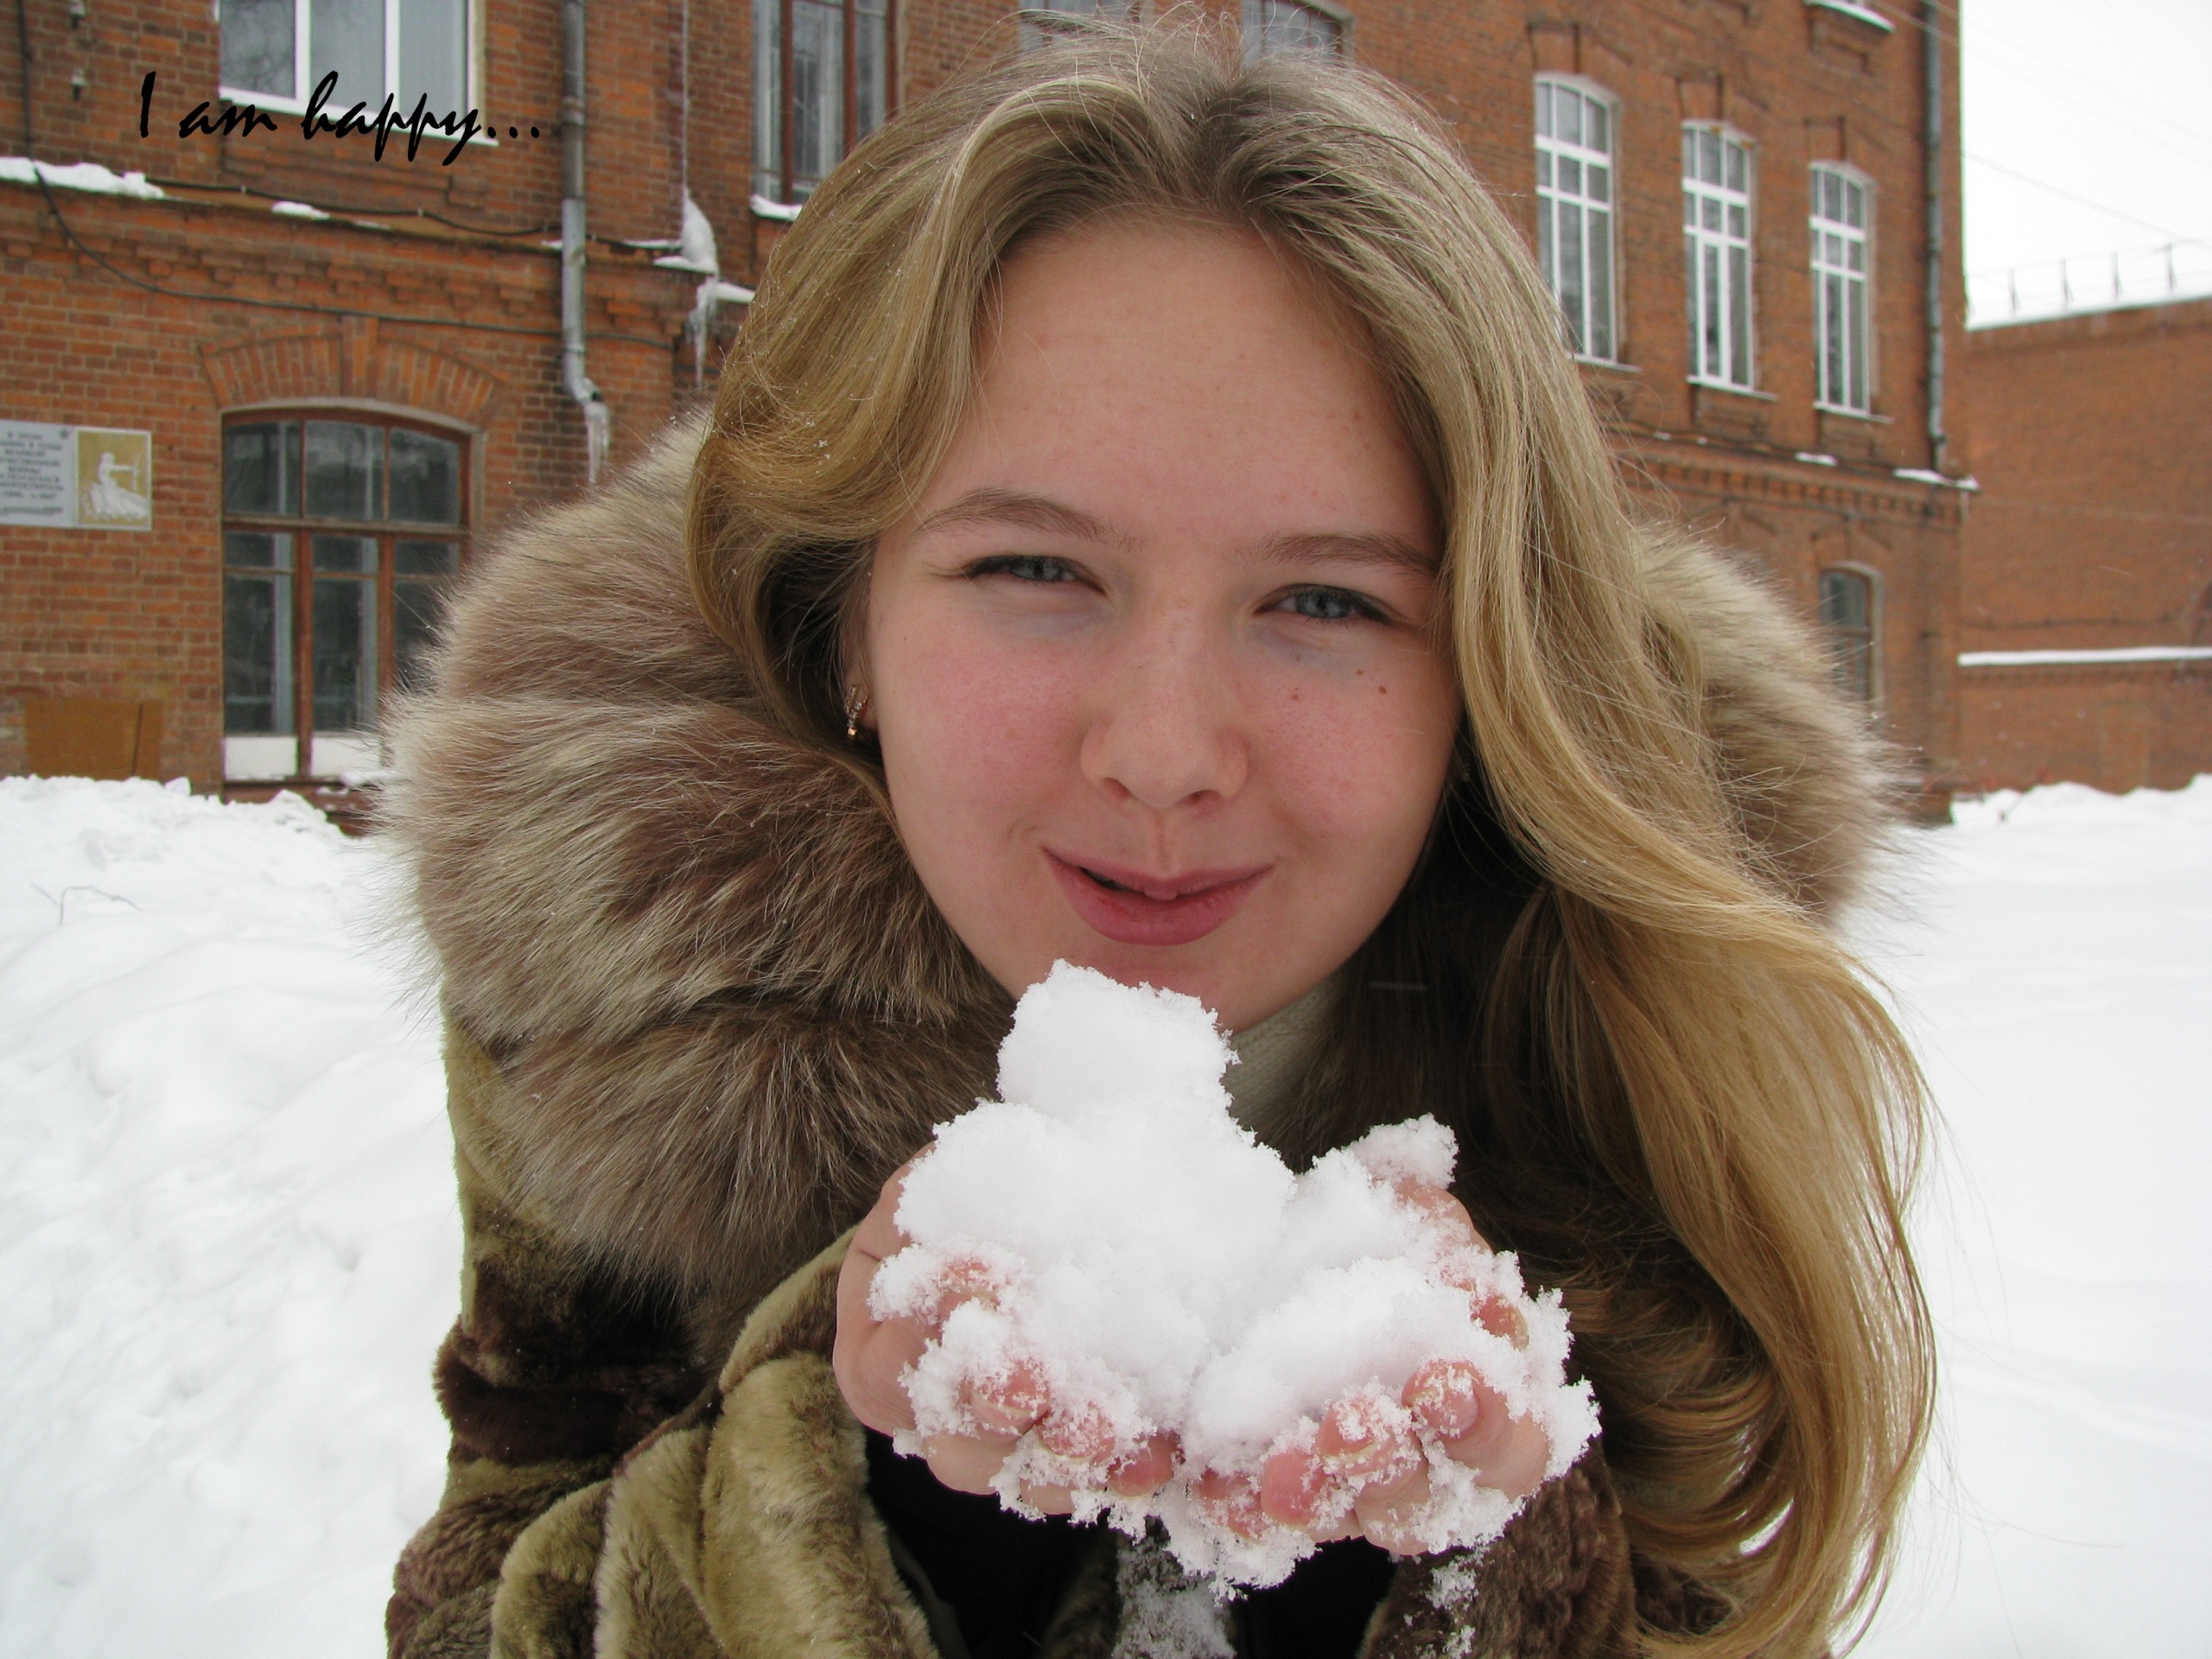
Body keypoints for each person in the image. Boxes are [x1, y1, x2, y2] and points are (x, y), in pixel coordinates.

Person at [381, 23, 1932, 1659]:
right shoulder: (637, 977)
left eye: (1327, 600)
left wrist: (1457, 1567)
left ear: (1486, 663)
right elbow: (493, 1574)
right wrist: (859, 1516)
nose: (1168, 758)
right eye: (1034, 572)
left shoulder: (1640, 1019)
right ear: (840, 628)